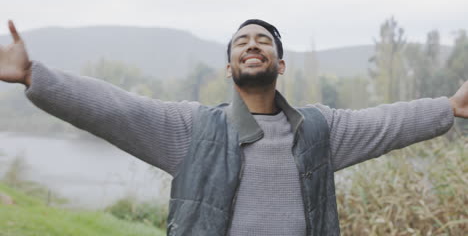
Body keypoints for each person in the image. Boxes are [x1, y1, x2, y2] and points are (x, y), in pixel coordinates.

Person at [0, 19, 466, 236]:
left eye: (263, 41)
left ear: (279, 64)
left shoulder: (320, 132)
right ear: (229, 68)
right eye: (242, 41)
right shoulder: (192, 129)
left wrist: (450, 105)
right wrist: (34, 75)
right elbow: (117, 108)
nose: (252, 45)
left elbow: (387, 121)